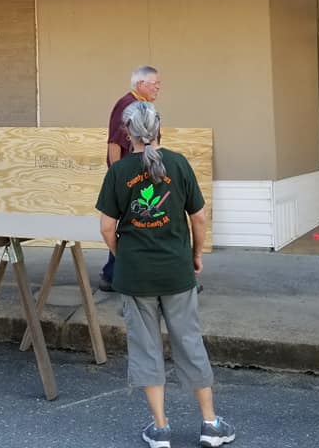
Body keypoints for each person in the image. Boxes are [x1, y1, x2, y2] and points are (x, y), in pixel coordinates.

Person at [96, 101, 235, 448]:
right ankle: (210, 424)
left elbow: (107, 228)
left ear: (128, 134)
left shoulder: (118, 172)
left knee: (145, 348)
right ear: (159, 129)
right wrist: (196, 255)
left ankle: (160, 429)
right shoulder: (179, 163)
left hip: (135, 276)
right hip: (176, 271)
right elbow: (199, 218)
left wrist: (121, 256)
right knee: (189, 341)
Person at [98, 65, 160, 291]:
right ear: (140, 84)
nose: (158, 88)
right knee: (129, 226)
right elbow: (115, 144)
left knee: (137, 225)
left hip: (142, 176)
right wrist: (118, 178)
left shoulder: (143, 106)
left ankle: (113, 274)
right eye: (155, 83)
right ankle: (113, 275)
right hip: (130, 179)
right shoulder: (126, 105)